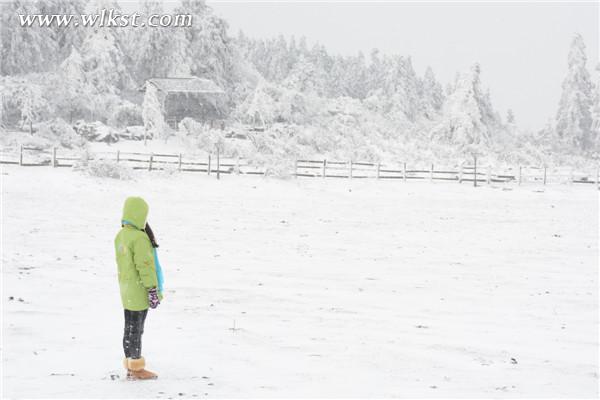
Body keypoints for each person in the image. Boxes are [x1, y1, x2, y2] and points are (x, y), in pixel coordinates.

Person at [115, 196, 163, 380]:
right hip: (138, 290)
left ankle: (130, 364)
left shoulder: (121, 235)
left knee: (129, 328)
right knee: (137, 329)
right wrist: (152, 290)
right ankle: (136, 369)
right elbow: (145, 266)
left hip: (126, 290)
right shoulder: (140, 238)